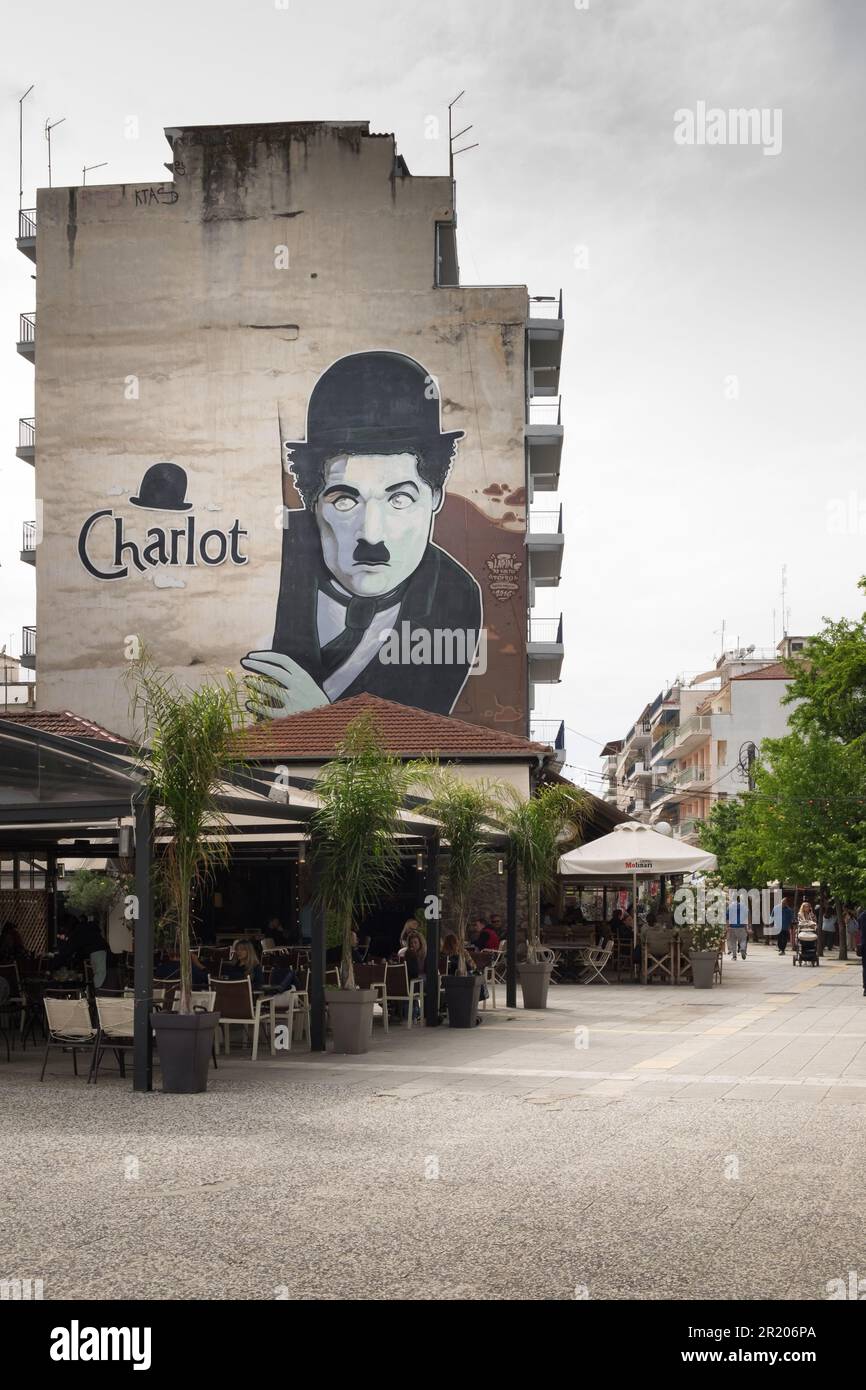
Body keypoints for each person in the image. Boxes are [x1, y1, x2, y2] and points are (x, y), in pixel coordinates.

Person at [242, 351, 482, 719]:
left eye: (399, 498)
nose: (371, 535)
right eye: (344, 501)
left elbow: (413, 748)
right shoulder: (267, 556)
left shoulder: (454, 596)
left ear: (435, 497)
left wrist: (320, 721)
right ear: (312, 504)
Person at [55, 918, 110, 987]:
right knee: (99, 973)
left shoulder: (77, 932)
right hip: (99, 950)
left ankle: (98, 992)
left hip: (97, 951)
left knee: (99, 973)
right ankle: (97, 991)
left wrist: (60, 958)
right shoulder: (83, 928)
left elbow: (71, 948)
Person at [726, 892, 749, 960]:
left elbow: (727, 917)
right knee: (743, 940)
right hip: (741, 926)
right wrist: (748, 925)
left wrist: (727, 926)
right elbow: (747, 915)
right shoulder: (744, 906)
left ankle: (734, 956)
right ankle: (742, 948)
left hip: (732, 926)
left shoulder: (729, 906)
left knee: (733, 942)